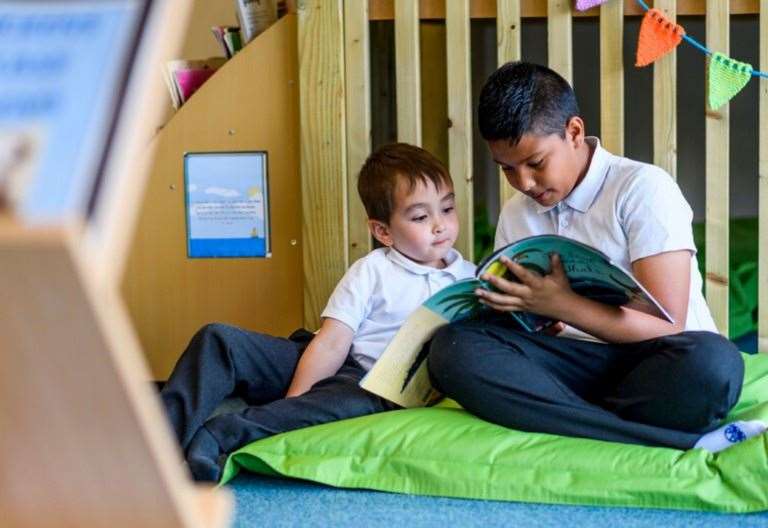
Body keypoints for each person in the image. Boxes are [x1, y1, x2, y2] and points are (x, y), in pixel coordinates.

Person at [428, 61, 766, 453]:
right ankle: (669, 440)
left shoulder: (642, 188)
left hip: (657, 365)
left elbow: (670, 325)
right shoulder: (517, 213)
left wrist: (565, 305)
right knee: (454, 348)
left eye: (536, 163)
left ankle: (568, 419)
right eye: (508, 170)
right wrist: (527, 316)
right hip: (573, 368)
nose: (524, 183)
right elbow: (525, 325)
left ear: (574, 131)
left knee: (716, 363)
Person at [161, 143, 476, 481]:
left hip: (374, 387)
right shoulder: (372, 270)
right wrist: (295, 401)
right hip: (330, 356)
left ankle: (220, 435)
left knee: (349, 405)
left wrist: (292, 411)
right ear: (383, 231)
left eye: (447, 209)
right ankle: (158, 442)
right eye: (420, 217)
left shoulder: (469, 278)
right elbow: (330, 343)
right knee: (218, 340)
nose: (440, 225)